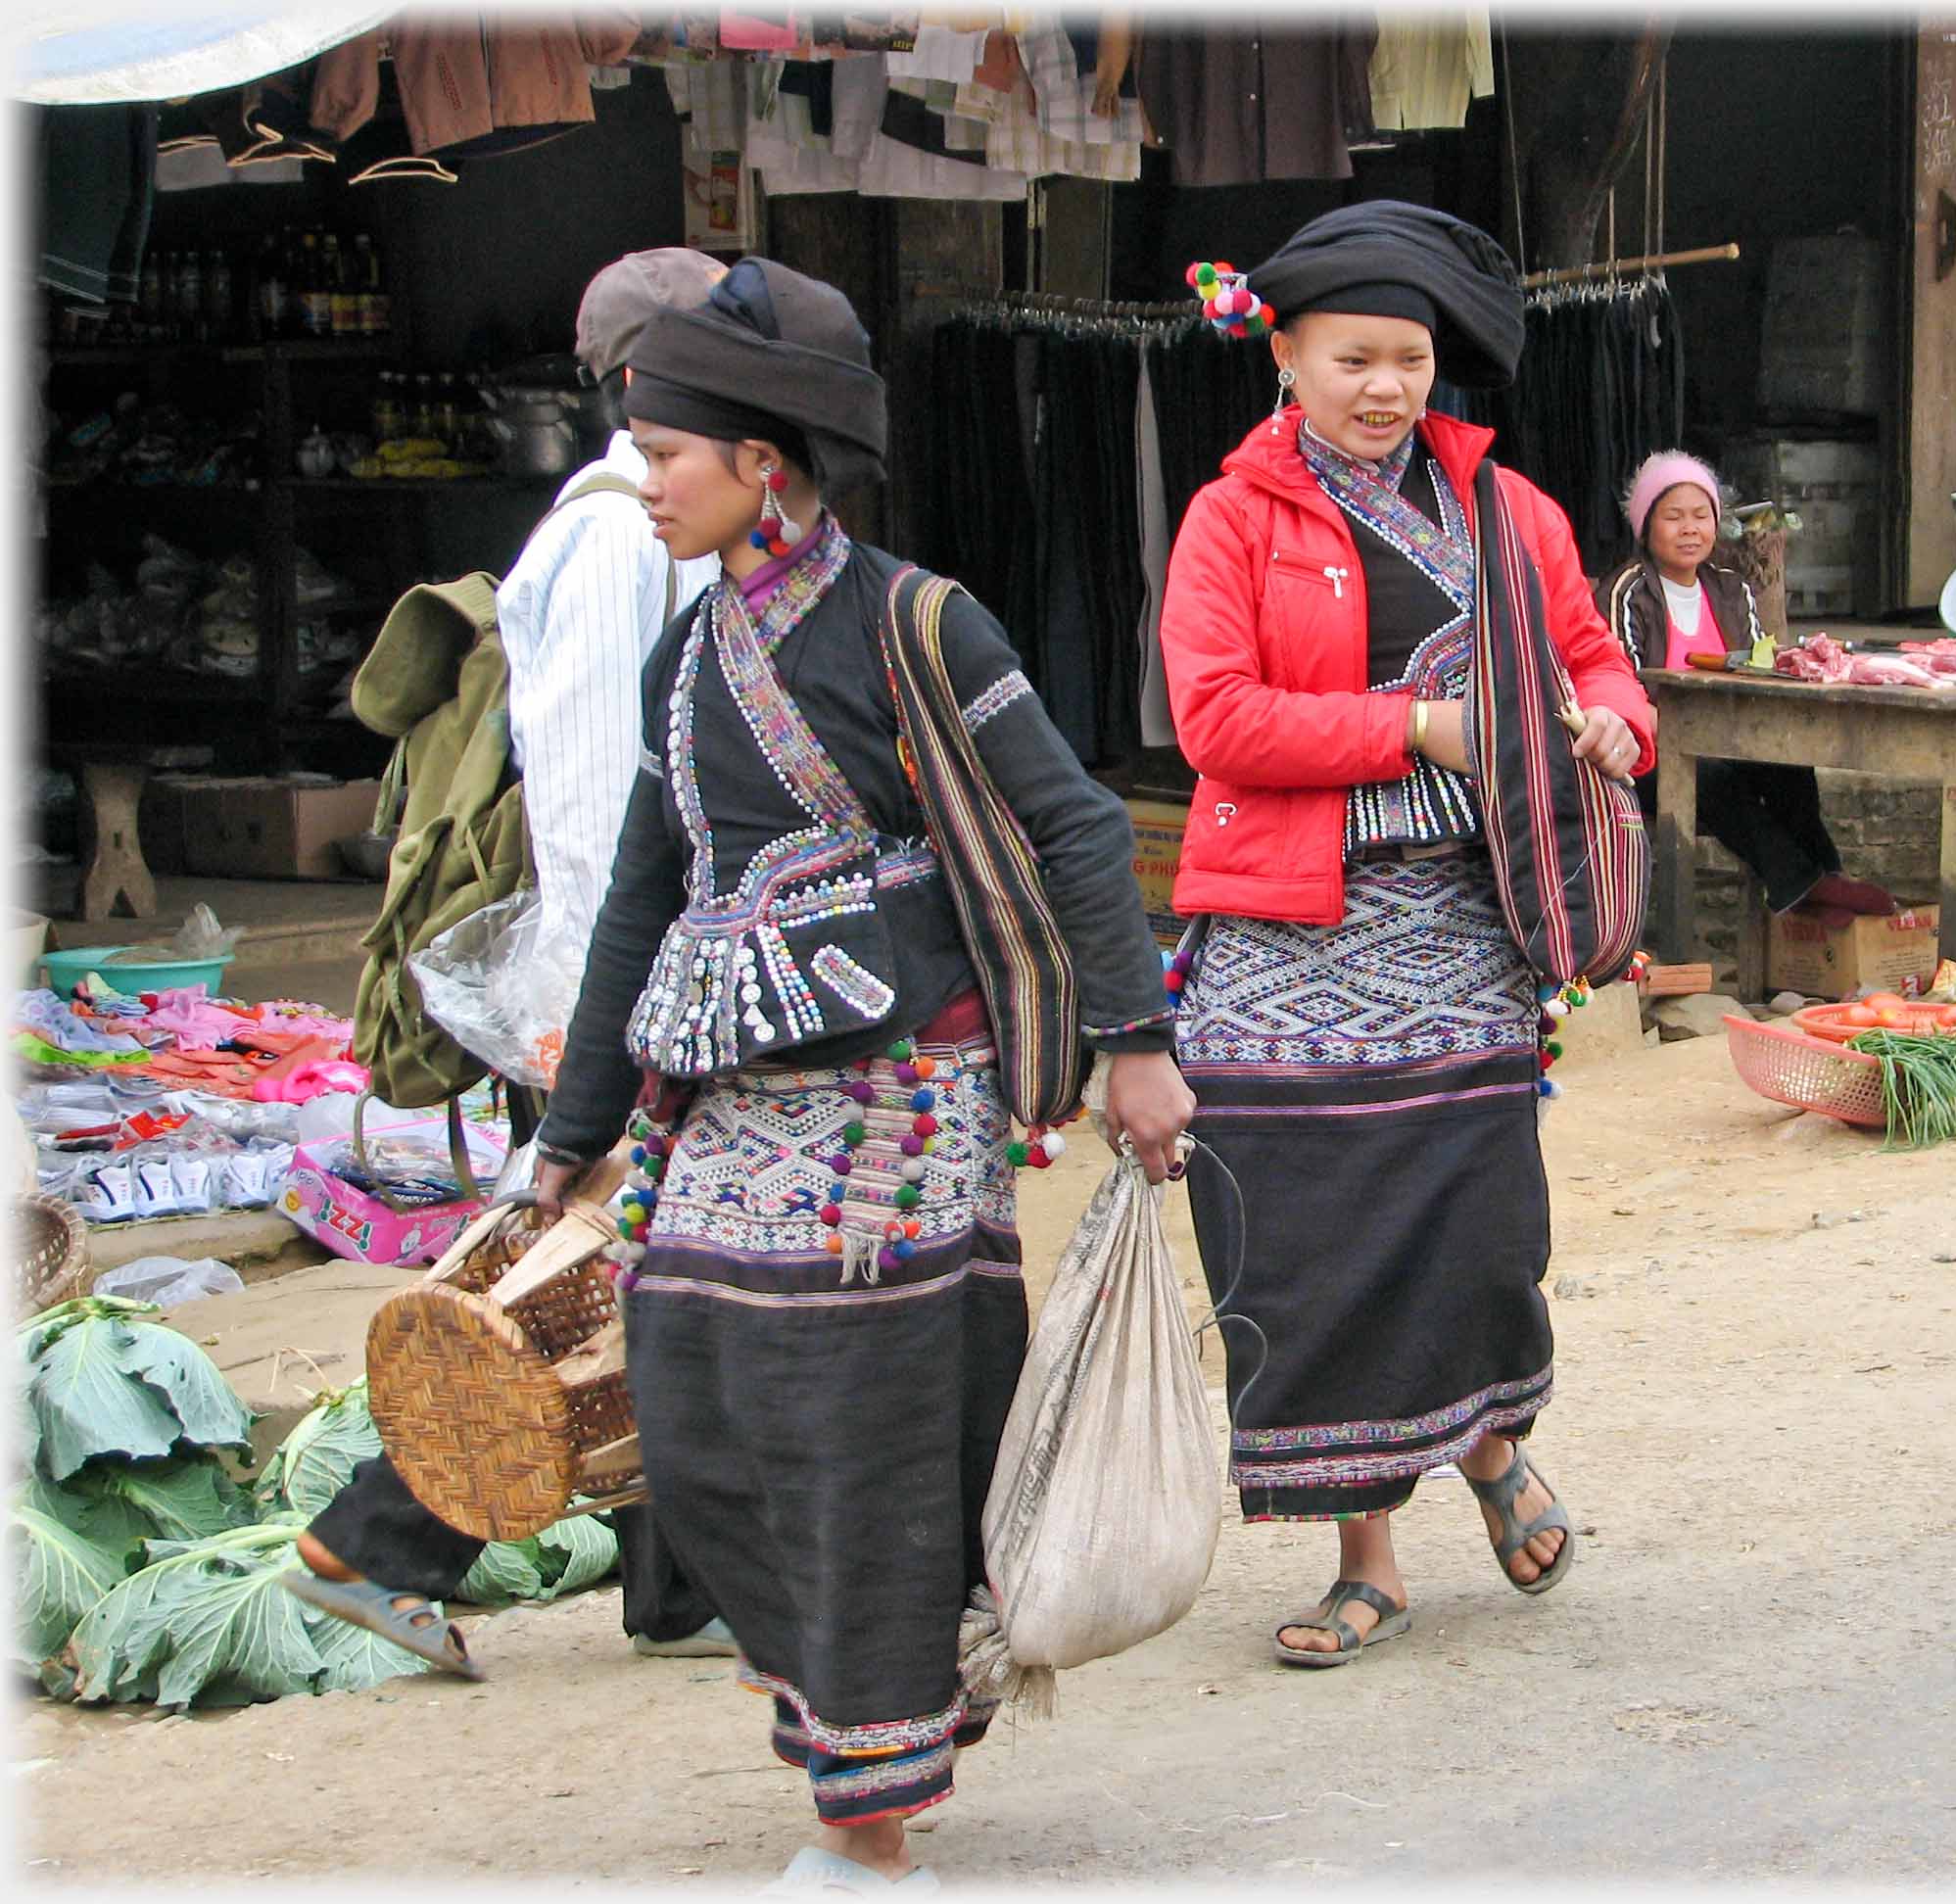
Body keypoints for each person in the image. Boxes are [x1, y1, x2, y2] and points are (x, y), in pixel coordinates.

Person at [525, 256, 1195, 1893]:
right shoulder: (693, 658)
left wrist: (1135, 1043)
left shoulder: (915, 621)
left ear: (764, 462)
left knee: (859, 1432)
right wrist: (574, 1131)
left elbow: (1078, 825)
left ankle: (865, 1809)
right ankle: (890, 1681)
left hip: (901, 1106)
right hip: (731, 1107)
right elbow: (644, 886)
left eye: (663, 451)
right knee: (687, 1411)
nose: (643, 479)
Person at [1156, 203, 1654, 1669]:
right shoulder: (1232, 519)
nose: (1385, 387)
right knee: (1307, 1250)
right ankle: (1364, 1558)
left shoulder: (1511, 510)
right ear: (1288, 360)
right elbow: (1213, 719)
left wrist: (1620, 720)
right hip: (1282, 940)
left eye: (1410, 359)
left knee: (1474, 1228)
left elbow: (1589, 651)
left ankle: (1491, 1445)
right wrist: (1416, 723)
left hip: (1464, 921)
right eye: (1354, 358)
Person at [286, 248, 736, 1676]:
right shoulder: (620, 539)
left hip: (646, 982)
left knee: (653, 1278)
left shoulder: (661, 526)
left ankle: (680, 1582)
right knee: (570, 1286)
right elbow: (609, 806)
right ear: (640, 381)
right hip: (622, 990)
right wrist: (617, 1029)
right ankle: (376, 1537)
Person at [1598, 452, 1895, 919]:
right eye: (1673, 517)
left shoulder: (1732, 590)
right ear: (1645, 526)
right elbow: (1616, 684)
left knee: (1786, 762)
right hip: (1647, 753)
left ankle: (1827, 876)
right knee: (1709, 776)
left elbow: (1759, 673)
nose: (1690, 529)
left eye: (1701, 516)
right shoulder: (1628, 591)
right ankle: (1800, 885)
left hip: (1725, 739)